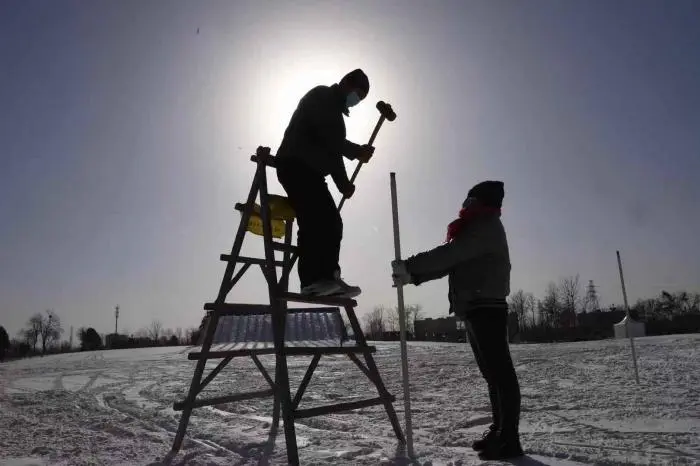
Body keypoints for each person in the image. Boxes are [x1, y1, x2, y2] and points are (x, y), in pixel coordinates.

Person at [391, 181, 523, 461]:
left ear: (478, 201)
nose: (464, 204)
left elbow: (451, 254)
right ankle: (499, 431)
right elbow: (452, 262)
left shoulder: (484, 226)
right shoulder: (476, 227)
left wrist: (410, 266)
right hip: (476, 306)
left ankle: (509, 439)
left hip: (487, 306)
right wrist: (413, 276)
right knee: (492, 376)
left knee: (501, 375)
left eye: (468, 199)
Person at [275, 69, 374, 298]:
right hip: (295, 166)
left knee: (332, 223)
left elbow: (333, 153)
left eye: (360, 99)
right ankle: (311, 281)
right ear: (346, 83)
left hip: (312, 174)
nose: (356, 101)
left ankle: (330, 278)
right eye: (357, 95)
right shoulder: (321, 96)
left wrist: (343, 184)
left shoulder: (337, 118)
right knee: (313, 221)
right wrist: (356, 151)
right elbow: (330, 138)